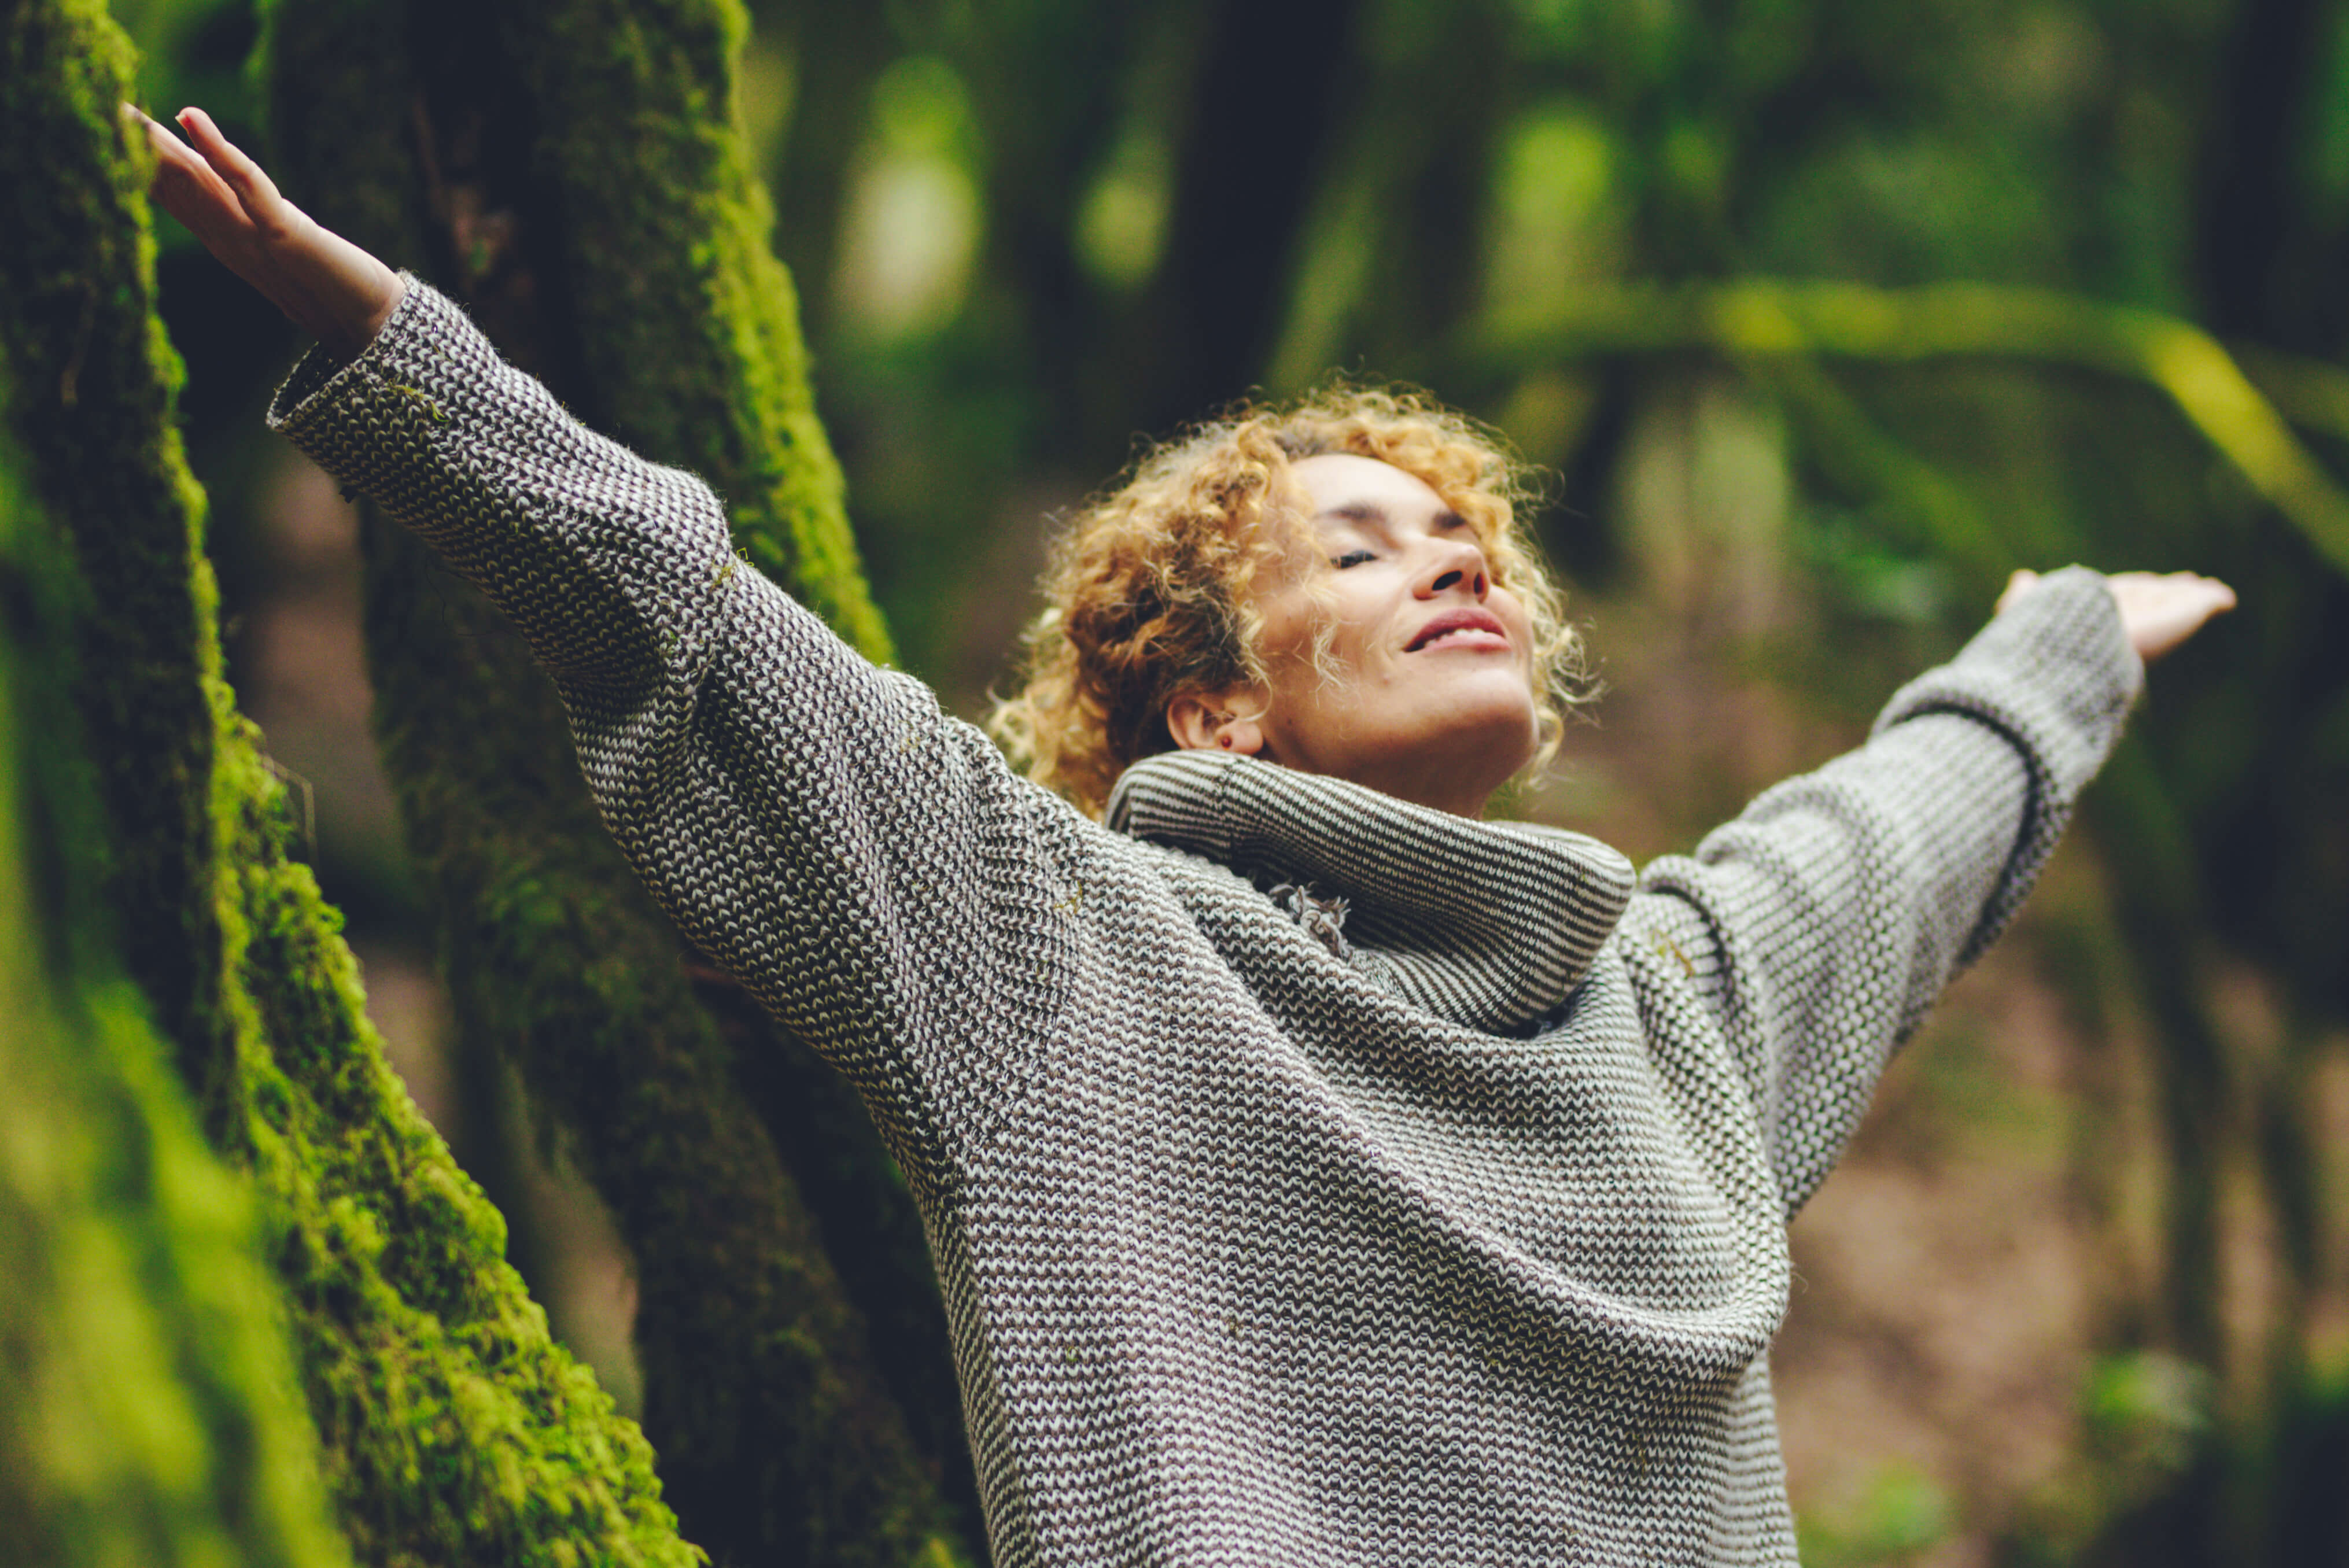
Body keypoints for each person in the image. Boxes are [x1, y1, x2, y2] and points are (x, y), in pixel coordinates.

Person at [142, 104, 2235, 1567]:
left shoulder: (1669, 1012)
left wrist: (2068, 653)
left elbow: (1886, 834)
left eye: (1467, 540)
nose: (1456, 569)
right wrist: (392, 348)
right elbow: (705, 629)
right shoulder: (1062, 960)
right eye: (1365, 545)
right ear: (1215, 697)